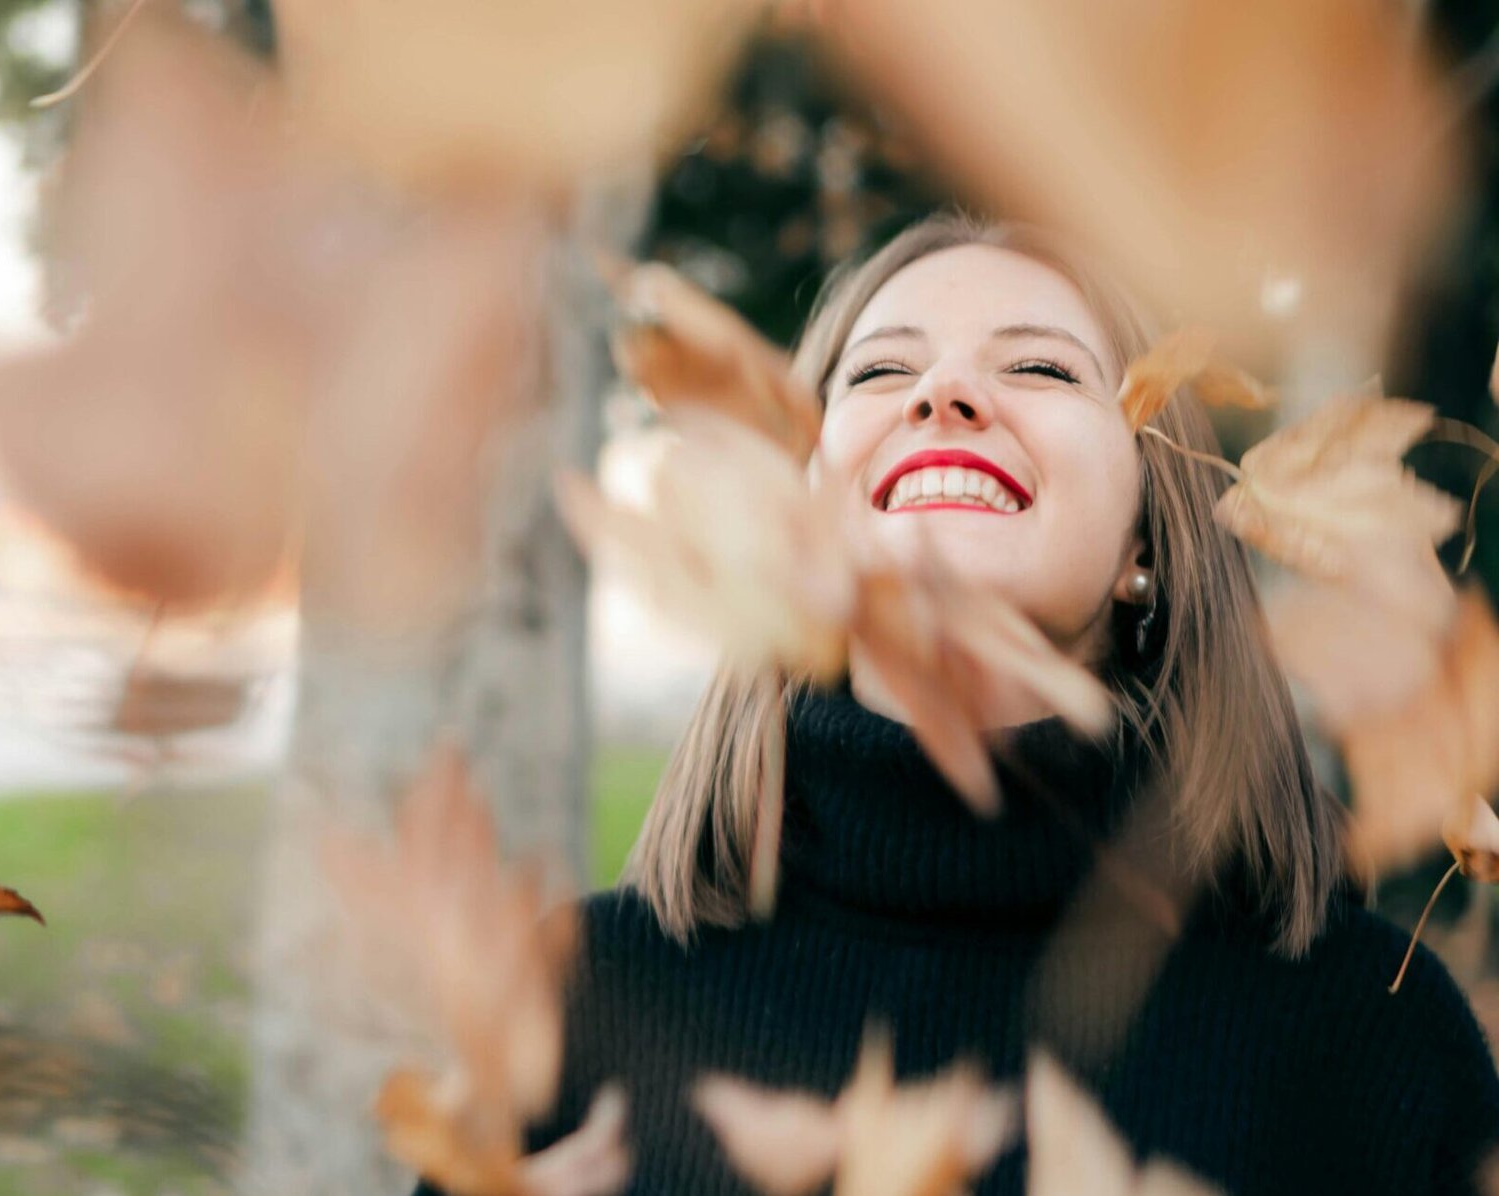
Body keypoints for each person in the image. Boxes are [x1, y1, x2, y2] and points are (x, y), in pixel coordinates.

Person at [415, 213, 1499, 1195]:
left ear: (1147, 544)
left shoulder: (1366, 1034)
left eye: (1039, 366)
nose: (943, 396)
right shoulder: (577, 997)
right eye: (880, 372)